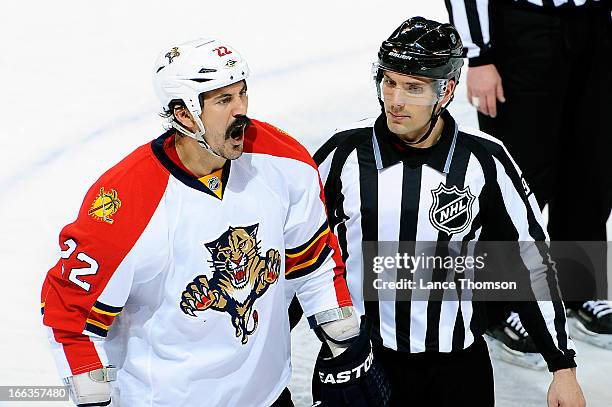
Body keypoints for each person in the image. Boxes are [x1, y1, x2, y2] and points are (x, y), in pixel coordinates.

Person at [40, 38, 389, 407]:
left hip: (268, 399)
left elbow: (313, 261)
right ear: (184, 114)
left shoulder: (284, 163)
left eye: (242, 93)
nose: (241, 111)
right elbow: (70, 319)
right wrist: (94, 400)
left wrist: (344, 342)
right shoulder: (125, 204)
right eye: (224, 100)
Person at [307, 17, 586, 406]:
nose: (395, 100)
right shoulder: (344, 153)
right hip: (360, 361)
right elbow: (295, 249)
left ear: (447, 90)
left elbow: (530, 259)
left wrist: (561, 366)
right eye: (389, 81)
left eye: (413, 87)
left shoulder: (485, 159)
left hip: (456, 371)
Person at [445, 0, 612, 360]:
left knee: (590, 165)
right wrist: (477, 54)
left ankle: (579, 289)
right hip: (522, 28)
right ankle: (500, 307)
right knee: (521, 174)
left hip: (598, 25)